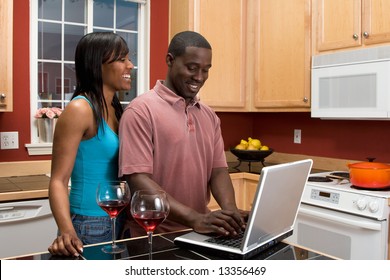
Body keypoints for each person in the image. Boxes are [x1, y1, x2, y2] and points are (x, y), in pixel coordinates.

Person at [119, 31, 247, 238]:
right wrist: (194, 217)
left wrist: (230, 212)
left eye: (206, 70)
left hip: (199, 232)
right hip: (152, 235)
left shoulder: (209, 115)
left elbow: (218, 171)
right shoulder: (140, 111)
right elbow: (138, 179)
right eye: (192, 68)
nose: (199, 77)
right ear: (170, 60)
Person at [48, 32, 134, 257]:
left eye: (129, 58)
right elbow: (58, 180)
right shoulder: (80, 109)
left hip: (117, 217)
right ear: (98, 65)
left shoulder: (116, 109)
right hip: (88, 223)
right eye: (122, 59)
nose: (130, 65)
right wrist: (67, 231)